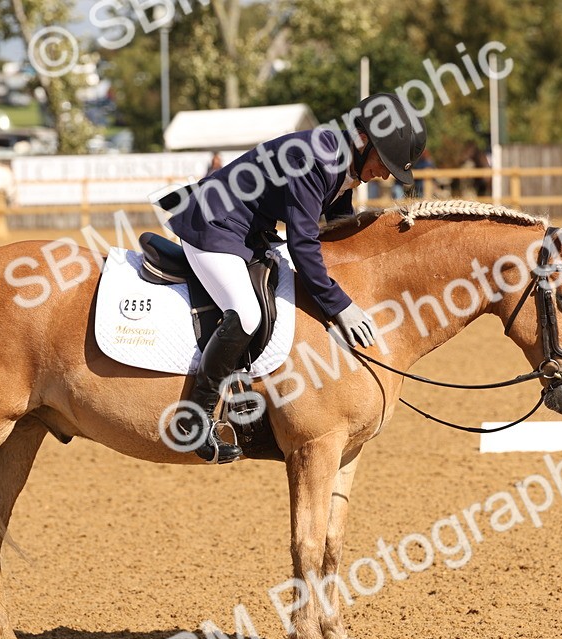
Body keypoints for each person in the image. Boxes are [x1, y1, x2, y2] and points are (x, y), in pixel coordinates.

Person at [162, 92, 427, 464]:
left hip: (248, 233)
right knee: (247, 313)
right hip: (212, 227)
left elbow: (333, 231)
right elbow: (304, 245)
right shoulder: (316, 158)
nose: (385, 174)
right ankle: (195, 418)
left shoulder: (343, 162)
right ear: (364, 140)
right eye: (385, 163)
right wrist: (341, 307)